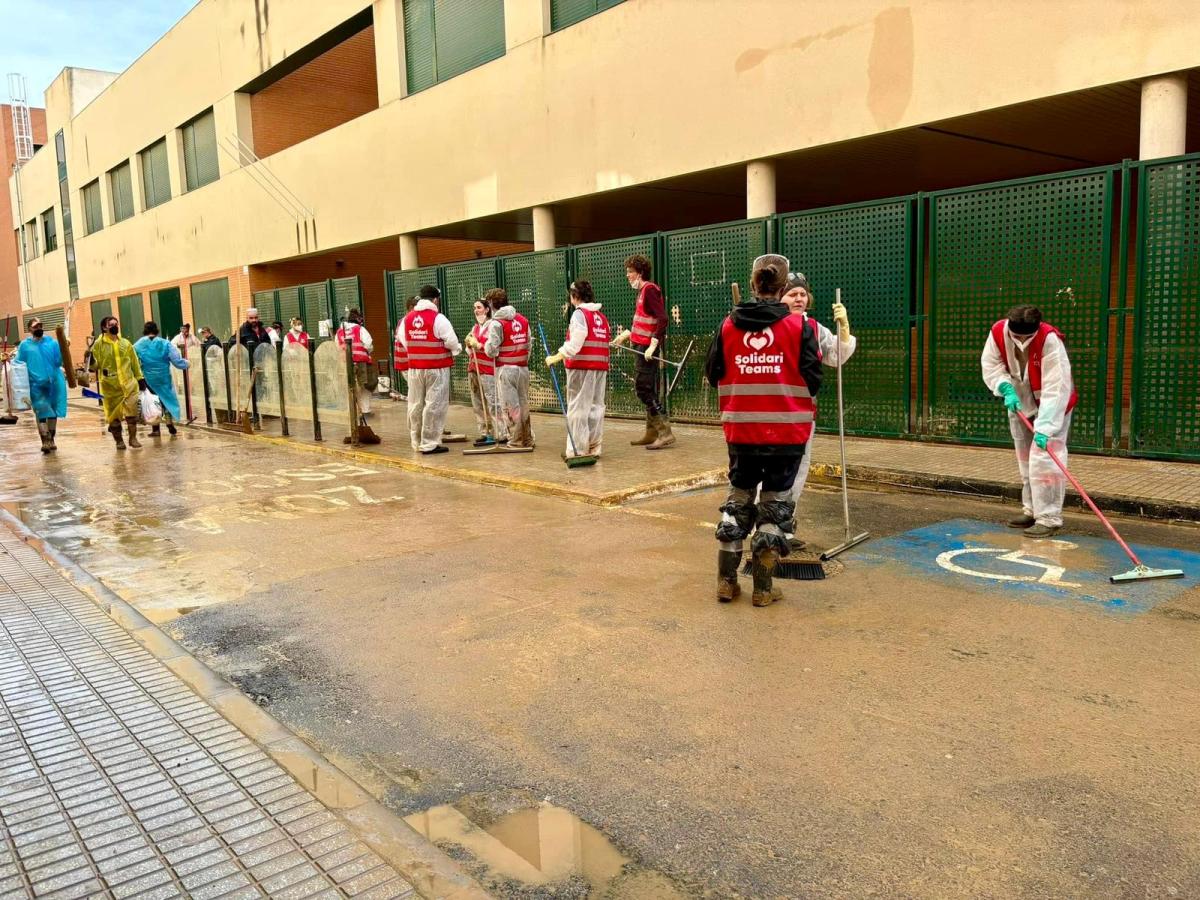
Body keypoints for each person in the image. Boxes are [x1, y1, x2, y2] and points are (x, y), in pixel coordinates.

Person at [705, 254, 822, 607]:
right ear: (783, 287)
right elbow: (814, 379)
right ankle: (763, 589)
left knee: (737, 500)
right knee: (775, 507)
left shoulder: (729, 325)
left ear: (754, 285)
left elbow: (713, 373)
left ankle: (726, 583)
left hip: (741, 433)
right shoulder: (799, 328)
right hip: (787, 436)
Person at [981, 304, 1076, 538]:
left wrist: (1045, 428)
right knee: (1025, 458)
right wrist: (1005, 387)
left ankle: (1049, 518)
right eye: (1017, 336)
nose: (1021, 341)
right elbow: (992, 365)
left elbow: (1057, 387)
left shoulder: (1050, 340)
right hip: (1019, 400)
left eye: (1027, 337)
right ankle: (1032, 510)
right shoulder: (997, 332)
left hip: (1052, 405)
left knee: (1045, 460)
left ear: (1036, 329)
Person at [780, 272, 857, 551]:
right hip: (773, 412)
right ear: (779, 296)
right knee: (771, 472)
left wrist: (844, 328)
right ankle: (764, 527)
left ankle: (783, 527)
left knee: (797, 471)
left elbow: (836, 356)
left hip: (802, 414)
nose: (798, 298)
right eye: (792, 294)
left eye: (802, 294)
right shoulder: (769, 325)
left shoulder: (813, 326)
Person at [612, 253, 674, 450]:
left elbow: (662, 318)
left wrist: (653, 345)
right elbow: (645, 322)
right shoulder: (642, 292)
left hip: (647, 349)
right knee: (649, 388)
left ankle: (664, 432)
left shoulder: (649, 290)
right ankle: (651, 432)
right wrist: (626, 335)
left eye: (630, 272)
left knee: (643, 388)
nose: (627, 275)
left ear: (640, 273)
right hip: (641, 346)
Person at [545, 280, 609, 459]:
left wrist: (558, 356)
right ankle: (594, 448)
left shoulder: (580, 315)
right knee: (596, 408)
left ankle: (577, 451)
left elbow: (576, 342)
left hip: (581, 368)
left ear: (574, 296)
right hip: (600, 368)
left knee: (578, 409)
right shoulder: (601, 317)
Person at [401, 285, 461, 454]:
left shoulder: (407, 319)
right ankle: (430, 443)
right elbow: (451, 341)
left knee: (415, 404)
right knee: (435, 405)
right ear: (435, 300)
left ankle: (416, 441)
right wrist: (456, 349)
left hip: (415, 369)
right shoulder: (439, 318)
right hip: (437, 368)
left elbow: (403, 340)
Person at [484, 288, 534, 449]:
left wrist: (484, 346)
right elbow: (529, 345)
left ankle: (516, 440)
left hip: (505, 369)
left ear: (491, 304)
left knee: (510, 406)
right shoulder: (523, 320)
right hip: (523, 368)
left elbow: (492, 349)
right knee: (523, 404)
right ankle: (528, 439)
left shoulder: (496, 323)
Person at [90, 315, 148, 449]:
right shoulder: (98, 345)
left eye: (116, 324)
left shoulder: (126, 344)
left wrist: (140, 378)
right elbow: (95, 367)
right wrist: (91, 360)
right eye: (111, 324)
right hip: (110, 387)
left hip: (129, 385)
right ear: (104, 327)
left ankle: (133, 438)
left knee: (131, 415)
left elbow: (134, 362)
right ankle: (119, 441)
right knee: (114, 419)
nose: (115, 326)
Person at [16, 317, 68, 453]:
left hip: (54, 383)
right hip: (36, 385)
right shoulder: (25, 346)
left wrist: (64, 348)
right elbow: (18, 363)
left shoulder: (52, 343)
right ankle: (44, 440)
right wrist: (7, 361)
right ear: (29, 329)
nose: (39, 328)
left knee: (53, 412)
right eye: (35, 326)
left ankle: (51, 438)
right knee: (41, 411)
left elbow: (59, 362)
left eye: (40, 325)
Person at [134, 321, 190, 437]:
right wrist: (187, 363)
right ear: (156, 330)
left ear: (145, 330)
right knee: (167, 398)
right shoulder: (165, 343)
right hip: (164, 377)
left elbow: (133, 361)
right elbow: (176, 361)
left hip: (148, 378)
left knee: (153, 401)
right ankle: (169, 420)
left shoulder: (138, 345)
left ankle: (156, 429)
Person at [464, 298, 504, 447]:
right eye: (474, 307)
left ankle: (499, 432)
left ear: (487, 309)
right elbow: (469, 351)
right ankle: (484, 432)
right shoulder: (474, 328)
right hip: (474, 369)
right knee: (478, 404)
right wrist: (468, 344)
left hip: (488, 371)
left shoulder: (492, 326)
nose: (476, 310)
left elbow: (492, 350)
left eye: (479, 307)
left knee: (493, 403)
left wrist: (478, 345)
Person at [334, 308, 376, 415]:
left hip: (344, 364)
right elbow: (368, 344)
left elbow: (336, 347)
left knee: (349, 387)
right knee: (364, 386)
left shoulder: (339, 332)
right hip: (361, 363)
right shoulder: (360, 329)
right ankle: (365, 410)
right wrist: (367, 352)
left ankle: (350, 411)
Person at [392, 297, 417, 400]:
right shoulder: (408, 320)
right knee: (415, 391)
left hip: (405, 361)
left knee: (414, 389)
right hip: (408, 362)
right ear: (411, 308)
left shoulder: (402, 320)